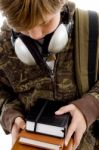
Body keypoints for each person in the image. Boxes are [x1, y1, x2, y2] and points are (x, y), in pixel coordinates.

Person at [0, 0, 99, 149]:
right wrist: (10, 115)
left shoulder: (93, 29)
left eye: (45, 22)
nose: (35, 34)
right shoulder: (4, 45)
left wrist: (91, 106)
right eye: (23, 27)